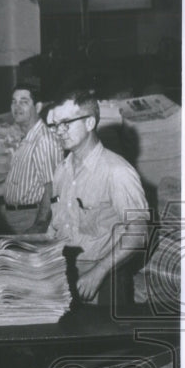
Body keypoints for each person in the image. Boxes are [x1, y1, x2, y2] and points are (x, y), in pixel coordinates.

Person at [47, 89, 148, 306]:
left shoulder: (117, 171)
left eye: (66, 123)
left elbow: (139, 235)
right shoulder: (61, 171)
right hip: (63, 277)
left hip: (104, 281)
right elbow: (56, 225)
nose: (59, 131)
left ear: (90, 123)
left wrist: (98, 272)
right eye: (55, 125)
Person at [0, 84, 64, 234]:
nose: (17, 106)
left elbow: (51, 189)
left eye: (24, 101)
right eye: (13, 101)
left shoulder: (44, 140)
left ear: (38, 106)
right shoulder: (28, 138)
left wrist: (39, 226)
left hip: (29, 219)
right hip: (15, 218)